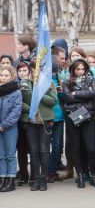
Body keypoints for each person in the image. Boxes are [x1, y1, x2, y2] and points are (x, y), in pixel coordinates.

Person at [62, 59, 95, 188]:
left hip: (88, 115)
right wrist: (84, 96)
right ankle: (79, 175)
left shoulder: (90, 79)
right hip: (73, 116)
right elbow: (67, 97)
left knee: (91, 147)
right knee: (76, 147)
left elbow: (93, 93)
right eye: (78, 69)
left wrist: (76, 94)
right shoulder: (67, 81)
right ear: (73, 69)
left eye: (83, 69)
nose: (80, 72)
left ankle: (94, 174)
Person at [20, 61, 57, 191]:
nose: (36, 71)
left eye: (39, 69)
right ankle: (35, 178)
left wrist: (40, 93)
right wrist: (30, 109)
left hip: (44, 121)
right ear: (30, 69)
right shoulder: (23, 83)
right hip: (30, 121)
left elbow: (53, 101)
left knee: (44, 150)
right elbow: (19, 102)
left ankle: (43, 178)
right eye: (34, 69)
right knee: (34, 151)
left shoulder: (49, 83)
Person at [0, 66, 22, 192]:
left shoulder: (16, 92)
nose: (3, 78)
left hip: (9, 128)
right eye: (2, 75)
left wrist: (4, 125)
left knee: (10, 154)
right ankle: (2, 178)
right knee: (1, 155)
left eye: (6, 75)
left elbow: (15, 112)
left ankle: (11, 180)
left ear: (12, 76)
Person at [48, 46, 67, 182]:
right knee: (45, 147)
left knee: (57, 146)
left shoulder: (59, 77)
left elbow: (62, 96)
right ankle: (47, 171)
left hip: (59, 117)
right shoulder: (43, 81)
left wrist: (62, 91)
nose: (54, 72)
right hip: (47, 117)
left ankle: (52, 170)